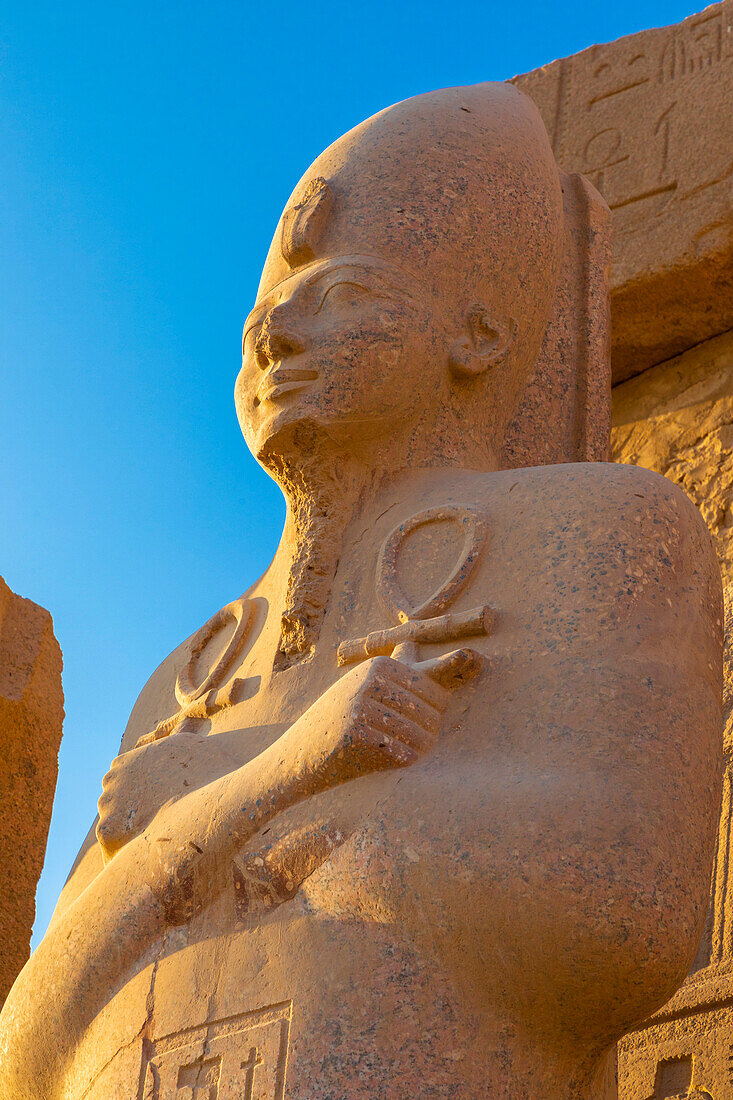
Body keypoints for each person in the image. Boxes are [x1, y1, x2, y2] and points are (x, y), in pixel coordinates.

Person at [0, 81, 723, 1100]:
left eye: (339, 293)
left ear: (475, 336)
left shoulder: (603, 532)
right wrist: (289, 764)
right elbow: (27, 1044)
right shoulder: (187, 674)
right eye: (263, 312)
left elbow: (617, 901)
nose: (273, 337)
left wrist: (186, 832)